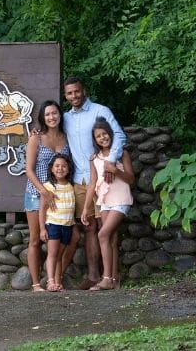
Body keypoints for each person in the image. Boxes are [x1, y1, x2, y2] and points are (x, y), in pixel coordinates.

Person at [62, 76, 126, 289]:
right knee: (89, 226)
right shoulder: (66, 118)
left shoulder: (100, 110)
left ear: (83, 90)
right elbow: (50, 128)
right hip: (81, 179)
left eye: (77, 91)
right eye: (69, 93)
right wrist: (37, 132)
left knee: (107, 229)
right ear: (66, 95)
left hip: (104, 179)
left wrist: (110, 161)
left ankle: (113, 277)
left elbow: (118, 134)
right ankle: (94, 276)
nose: (74, 96)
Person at [81, 117, 134, 290]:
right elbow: (92, 183)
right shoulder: (94, 158)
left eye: (105, 134)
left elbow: (131, 179)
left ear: (111, 134)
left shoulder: (121, 153)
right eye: (98, 136)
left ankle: (106, 278)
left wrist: (115, 170)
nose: (103, 138)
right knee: (110, 239)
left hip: (121, 199)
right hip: (104, 200)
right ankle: (113, 279)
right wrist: (86, 208)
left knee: (102, 234)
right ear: (95, 140)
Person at [24, 100, 70, 291]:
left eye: (54, 113)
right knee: (35, 239)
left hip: (60, 197)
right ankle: (36, 284)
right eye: (47, 114)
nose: (51, 117)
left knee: (65, 239)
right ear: (43, 118)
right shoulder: (36, 138)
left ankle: (55, 278)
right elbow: (28, 169)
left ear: (60, 115)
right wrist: (44, 191)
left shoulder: (66, 138)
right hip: (36, 194)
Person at [39, 154, 75, 292]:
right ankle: (50, 281)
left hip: (67, 225)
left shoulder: (71, 186)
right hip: (53, 224)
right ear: (52, 169)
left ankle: (58, 282)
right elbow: (42, 209)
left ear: (69, 169)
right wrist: (42, 229)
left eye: (64, 166)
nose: (61, 168)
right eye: (57, 166)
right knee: (53, 254)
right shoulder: (48, 187)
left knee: (59, 255)